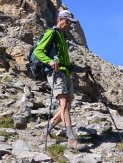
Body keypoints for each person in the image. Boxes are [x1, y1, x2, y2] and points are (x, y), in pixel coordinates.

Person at [34, 10, 90, 150]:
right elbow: (38, 51)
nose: (70, 25)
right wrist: (50, 61)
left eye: (71, 22)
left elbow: (66, 63)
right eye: (68, 21)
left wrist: (82, 69)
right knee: (64, 102)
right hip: (55, 73)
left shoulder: (63, 37)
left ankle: (46, 132)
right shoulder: (52, 33)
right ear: (60, 19)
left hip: (65, 74)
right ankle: (71, 139)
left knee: (67, 105)